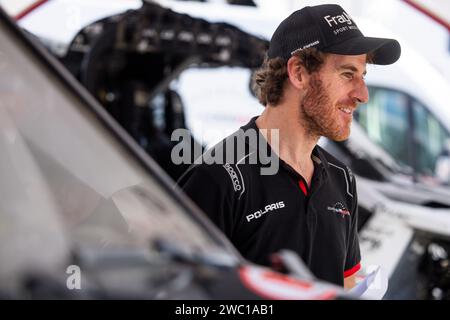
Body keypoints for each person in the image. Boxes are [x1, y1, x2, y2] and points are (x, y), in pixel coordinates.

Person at [177, 4, 401, 289]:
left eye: (363, 76)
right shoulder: (221, 178)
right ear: (298, 73)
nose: (362, 94)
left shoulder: (342, 180)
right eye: (347, 74)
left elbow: (345, 286)